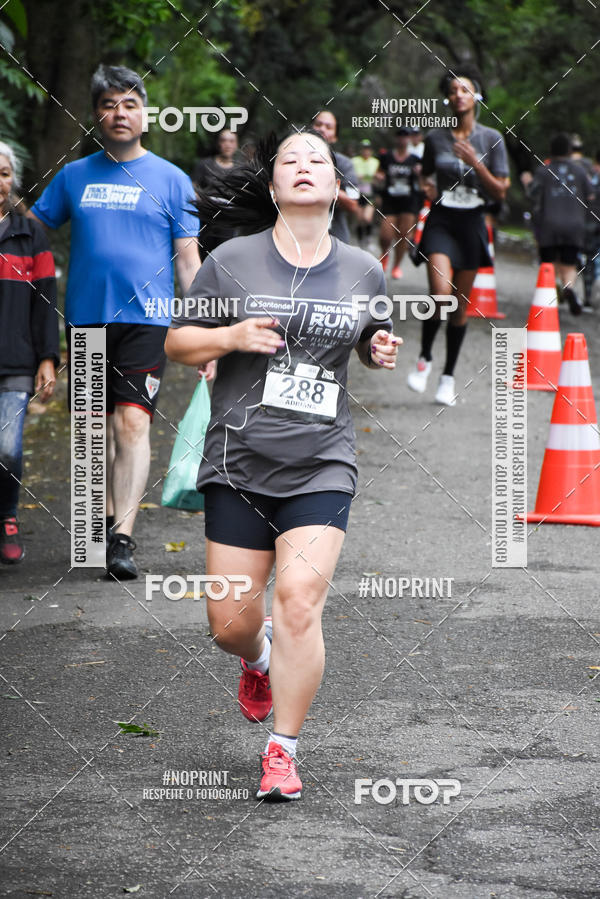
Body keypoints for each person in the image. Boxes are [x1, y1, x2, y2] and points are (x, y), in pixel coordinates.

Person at [165, 128, 400, 801]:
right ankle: (259, 657)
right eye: (288, 160)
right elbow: (179, 342)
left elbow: (367, 335)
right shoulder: (233, 259)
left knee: (300, 600)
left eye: (316, 159)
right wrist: (232, 336)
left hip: (322, 461)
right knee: (229, 623)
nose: (302, 166)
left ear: (337, 185)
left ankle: (282, 749)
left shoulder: (363, 269)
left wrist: (375, 349)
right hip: (239, 460)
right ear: (271, 187)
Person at [28, 64, 200, 579]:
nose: (119, 113)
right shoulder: (74, 175)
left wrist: (207, 329)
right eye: (108, 105)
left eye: (129, 104)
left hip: (148, 320)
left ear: (145, 115)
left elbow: (189, 262)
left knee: (132, 421)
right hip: (86, 321)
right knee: (89, 434)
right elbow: (29, 234)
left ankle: (121, 538)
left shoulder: (172, 180)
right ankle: (96, 522)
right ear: (97, 115)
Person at [408, 68, 510, 406]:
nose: (458, 95)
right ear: (448, 99)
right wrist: (426, 186)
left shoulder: (491, 138)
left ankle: (448, 377)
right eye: (453, 90)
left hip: (472, 223)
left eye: (464, 89)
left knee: (460, 308)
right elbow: (424, 176)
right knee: (440, 294)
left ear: (476, 97)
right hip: (442, 220)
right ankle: (424, 357)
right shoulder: (435, 138)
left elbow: (501, 192)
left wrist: (475, 164)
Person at [0, 142, 59, 563]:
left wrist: (47, 359)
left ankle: (7, 517)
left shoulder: (29, 234)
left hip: (16, 363)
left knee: (7, 448)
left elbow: (45, 300)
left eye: (4, 173)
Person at [528, 133, 593, 316]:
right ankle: (569, 289)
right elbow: (590, 196)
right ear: (570, 150)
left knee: (549, 265)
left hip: (549, 224)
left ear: (551, 150)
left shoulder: (543, 170)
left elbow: (533, 194)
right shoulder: (580, 171)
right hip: (574, 225)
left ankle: (550, 299)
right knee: (569, 265)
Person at [376, 128, 422, 278]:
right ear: (396, 138)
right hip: (390, 199)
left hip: (409, 201)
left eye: (406, 136)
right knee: (386, 235)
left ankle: (396, 266)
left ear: (409, 139)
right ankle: (384, 254)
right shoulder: (387, 157)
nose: (403, 139)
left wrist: (419, 174)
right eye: (400, 135)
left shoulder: (415, 159)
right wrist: (379, 177)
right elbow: (379, 173)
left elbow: (424, 181)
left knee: (403, 235)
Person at [192, 128, 240, 260]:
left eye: (231, 141)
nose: (227, 144)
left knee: (223, 260)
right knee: (202, 258)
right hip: (205, 220)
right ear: (218, 143)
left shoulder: (240, 170)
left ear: (236, 145)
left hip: (228, 222)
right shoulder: (204, 165)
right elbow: (192, 190)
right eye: (224, 140)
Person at [312, 110, 360, 243]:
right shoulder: (290, 159)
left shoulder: (345, 164)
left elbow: (353, 203)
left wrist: (327, 187)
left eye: (328, 127)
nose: (322, 129)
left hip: (334, 237)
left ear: (335, 137)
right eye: (318, 124)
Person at [351, 139, 380, 247]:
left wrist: (376, 179)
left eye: (368, 149)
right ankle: (360, 241)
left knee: (367, 218)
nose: (366, 151)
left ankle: (368, 238)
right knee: (359, 219)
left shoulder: (375, 162)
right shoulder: (354, 160)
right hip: (357, 193)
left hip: (370, 193)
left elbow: (379, 177)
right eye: (364, 149)